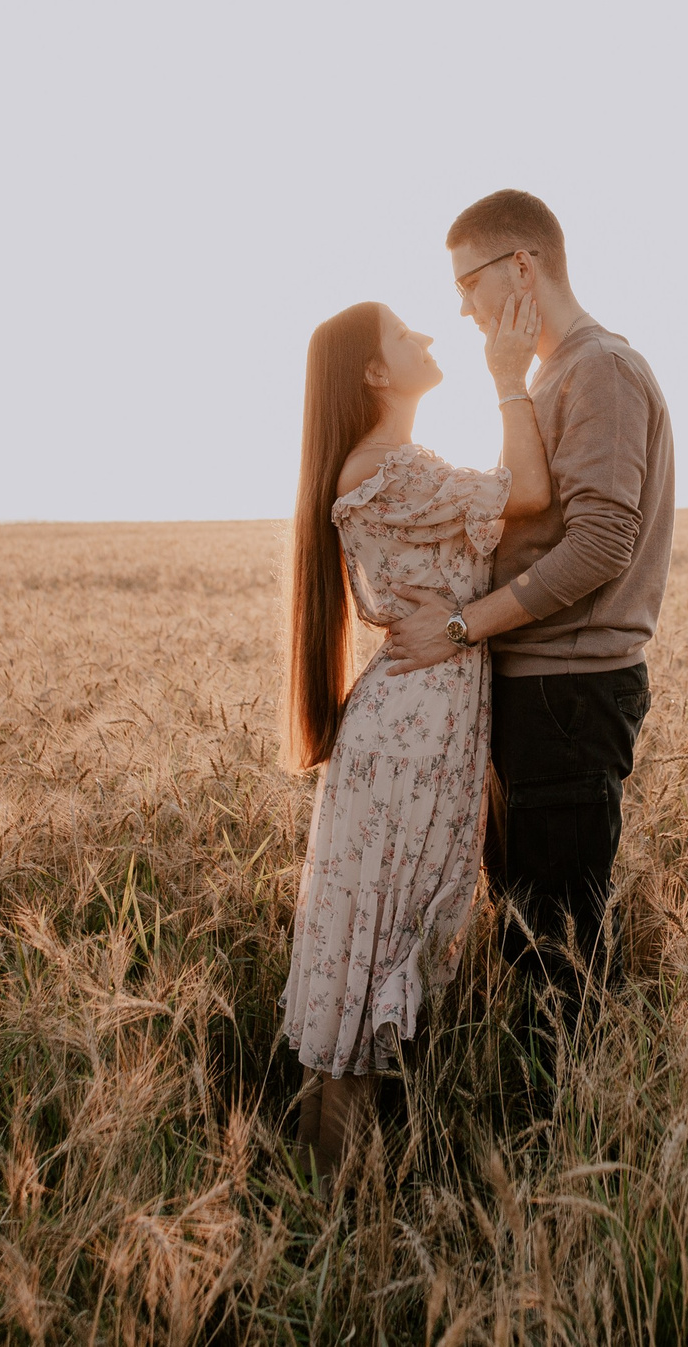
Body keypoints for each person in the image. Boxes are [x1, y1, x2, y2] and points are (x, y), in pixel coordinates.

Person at [279, 293, 550, 1179]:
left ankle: (326, 1198)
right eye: (404, 334)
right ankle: (334, 1205)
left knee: (374, 949)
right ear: (373, 372)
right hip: (412, 735)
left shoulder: (396, 467)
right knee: (377, 953)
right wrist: (508, 375)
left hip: (420, 724)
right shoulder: (386, 472)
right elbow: (531, 492)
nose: (427, 334)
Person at [383, 189, 676, 1009]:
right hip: (541, 691)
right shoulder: (551, 376)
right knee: (528, 932)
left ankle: (577, 1093)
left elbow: (600, 545)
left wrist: (458, 627)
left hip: (568, 695)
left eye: (468, 283)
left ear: (521, 266)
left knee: (559, 954)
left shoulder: (601, 369)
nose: (463, 308)